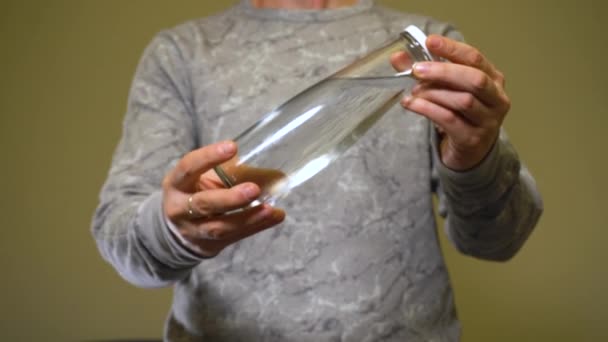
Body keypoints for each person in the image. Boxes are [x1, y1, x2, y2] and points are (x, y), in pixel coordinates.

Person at [91, 0, 543, 341]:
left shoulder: (423, 46)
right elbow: (120, 232)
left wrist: (475, 159)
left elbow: (499, 240)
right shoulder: (180, 54)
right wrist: (174, 230)